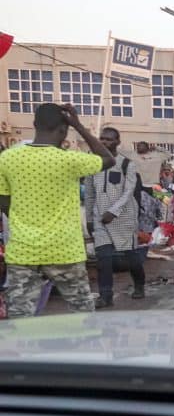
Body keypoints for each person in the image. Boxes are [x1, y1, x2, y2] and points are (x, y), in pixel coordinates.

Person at [0, 103, 114, 317]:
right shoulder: (69, 159)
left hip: (23, 251)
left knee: (19, 317)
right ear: (64, 129)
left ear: (34, 125)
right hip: (65, 251)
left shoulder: (7, 159)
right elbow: (108, 159)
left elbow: (4, 201)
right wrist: (79, 126)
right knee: (82, 316)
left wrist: (24, 221)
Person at [84, 127, 145, 308]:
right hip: (100, 218)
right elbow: (89, 194)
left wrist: (114, 212)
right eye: (102, 139)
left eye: (109, 139)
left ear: (117, 142)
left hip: (123, 219)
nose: (104, 142)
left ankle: (139, 284)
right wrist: (89, 218)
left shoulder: (127, 164)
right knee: (103, 259)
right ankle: (106, 296)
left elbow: (128, 192)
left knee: (131, 257)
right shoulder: (92, 164)